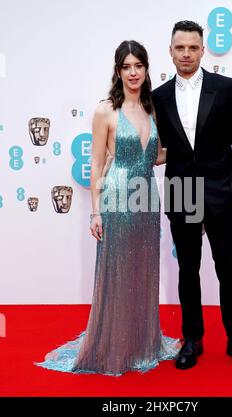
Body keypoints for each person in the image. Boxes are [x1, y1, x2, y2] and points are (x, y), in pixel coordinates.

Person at [35, 40, 179, 376]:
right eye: (126, 66)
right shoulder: (105, 110)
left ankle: (142, 343)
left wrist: (186, 147)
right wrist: (96, 211)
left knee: (144, 270)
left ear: (146, 69)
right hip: (117, 198)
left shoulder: (151, 108)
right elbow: (97, 162)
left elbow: (155, 156)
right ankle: (113, 345)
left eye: (138, 66)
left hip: (146, 198)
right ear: (118, 71)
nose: (133, 72)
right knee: (117, 272)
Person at [152, 21, 232, 371]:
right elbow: (160, 148)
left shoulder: (227, 88)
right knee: (187, 269)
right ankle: (192, 339)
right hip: (182, 190)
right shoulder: (159, 96)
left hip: (221, 191)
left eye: (193, 47)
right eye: (180, 48)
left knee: (228, 268)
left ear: (203, 50)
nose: (186, 54)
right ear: (170, 51)